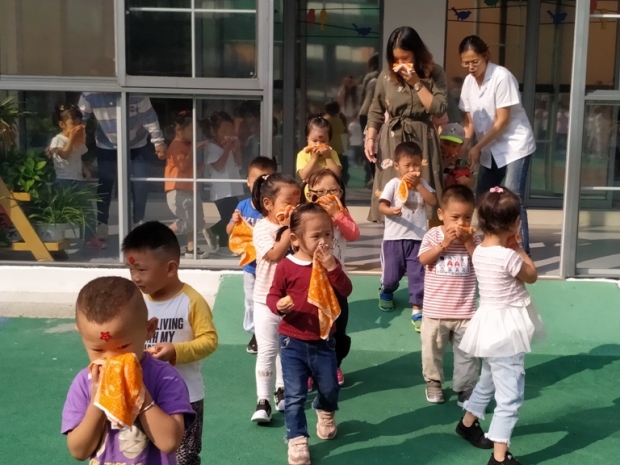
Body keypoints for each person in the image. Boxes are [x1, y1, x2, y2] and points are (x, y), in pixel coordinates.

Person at [61, 276, 195, 464]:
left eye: (123, 347)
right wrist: (97, 402)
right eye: (98, 350)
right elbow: (79, 451)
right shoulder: (85, 382)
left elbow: (170, 443)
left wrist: (140, 394)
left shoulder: (165, 377)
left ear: (149, 329)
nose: (110, 358)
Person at [455, 187, 544, 465]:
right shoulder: (508, 256)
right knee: (510, 396)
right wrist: (518, 247)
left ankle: (467, 423)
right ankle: (500, 457)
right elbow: (532, 275)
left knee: (489, 379)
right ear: (515, 223)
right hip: (507, 332)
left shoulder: (480, 251)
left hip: (489, 327)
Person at [122, 221, 218, 465]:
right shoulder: (135, 302)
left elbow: (209, 340)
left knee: (184, 457)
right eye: (130, 269)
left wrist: (176, 350)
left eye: (141, 270)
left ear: (170, 268)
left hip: (186, 395)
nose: (135, 277)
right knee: (141, 455)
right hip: (144, 395)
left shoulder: (191, 301)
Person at [267, 203, 353, 465]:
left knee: (329, 387)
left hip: (325, 340)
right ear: (295, 239)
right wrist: (278, 305)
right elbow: (273, 295)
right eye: (316, 236)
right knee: (294, 395)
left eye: (328, 234)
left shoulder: (330, 263)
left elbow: (346, 290)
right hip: (292, 340)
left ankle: (325, 410)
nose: (324, 241)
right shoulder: (286, 266)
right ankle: (297, 438)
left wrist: (333, 268)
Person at [457, 35, 536, 255]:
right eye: (466, 62)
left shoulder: (502, 77)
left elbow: (502, 121)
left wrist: (476, 147)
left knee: (513, 198)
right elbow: (469, 123)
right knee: (484, 197)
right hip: (489, 148)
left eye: (475, 61)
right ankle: (490, 248)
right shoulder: (468, 82)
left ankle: (522, 254)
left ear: (486, 56)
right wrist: (463, 148)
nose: (471, 67)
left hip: (514, 145)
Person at [364, 27, 447, 222]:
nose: (401, 64)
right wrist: (370, 138)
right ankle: (394, 234)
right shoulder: (386, 76)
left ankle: (426, 236)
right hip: (393, 138)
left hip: (422, 137)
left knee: (423, 187)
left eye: (405, 58)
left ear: (416, 53)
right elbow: (376, 109)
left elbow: (439, 108)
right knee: (391, 192)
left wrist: (417, 83)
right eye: (396, 59)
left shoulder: (435, 72)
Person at [418, 185, 480, 405]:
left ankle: (466, 388)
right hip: (436, 311)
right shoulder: (433, 235)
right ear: (441, 214)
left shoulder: (474, 240)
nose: (461, 223)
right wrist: (443, 244)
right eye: (455, 217)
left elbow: (481, 264)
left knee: (468, 354)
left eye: (467, 217)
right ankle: (433, 382)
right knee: (432, 351)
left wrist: (468, 242)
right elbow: (423, 259)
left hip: (466, 311)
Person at [78, 93, 167, 248]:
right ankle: (102, 225)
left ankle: (138, 225)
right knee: (105, 184)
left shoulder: (135, 91)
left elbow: (149, 116)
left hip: (137, 143)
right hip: (106, 143)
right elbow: (80, 117)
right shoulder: (90, 92)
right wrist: (78, 137)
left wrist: (158, 141)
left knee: (140, 184)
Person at [250, 173, 302, 422]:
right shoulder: (262, 227)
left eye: (297, 203)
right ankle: (263, 401)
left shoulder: (299, 226)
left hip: (292, 299)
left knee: (287, 349)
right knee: (268, 350)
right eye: (287, 203)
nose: (293, 208)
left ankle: (282, 390)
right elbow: (274, 254)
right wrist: (290, 229)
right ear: (268, 204)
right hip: (265, 299)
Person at [305, 169, 360, 386]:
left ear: (341, 193)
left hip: (336, 282)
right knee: (312, 330)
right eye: (320, 192)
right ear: (310, 194)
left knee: (338, 328)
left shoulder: (342, 214)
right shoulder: (305, 216)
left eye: (332, 191)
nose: (327, 196)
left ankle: (334, 364)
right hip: (311, 283)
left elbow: (353, 234)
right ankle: (310, 370)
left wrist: (337, 215)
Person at [378, 142, 437, 331]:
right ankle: (386, 290)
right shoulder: (393, 184)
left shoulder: (422, 184)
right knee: (391, 275)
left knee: (418, 275)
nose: (412, 170)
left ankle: (417, 308)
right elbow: (382, 205)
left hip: (418, 238)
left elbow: (432, 200)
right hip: (394, 239)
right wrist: (390, 210)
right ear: (397, 166)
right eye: (408, 165)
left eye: (416, 165)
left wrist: (419, 185)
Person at [226, 156, 278, 354]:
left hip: (271, 265)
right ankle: (256, 332)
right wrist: (234, 221)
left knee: (271, 298)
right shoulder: (243, 206)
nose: (260, 186)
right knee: (250, 300)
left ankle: (270, 330)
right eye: (256, 181)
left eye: (266, 181)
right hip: (250, 266)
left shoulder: (274, 208)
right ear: (248, 182)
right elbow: (229, 231)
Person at [49, 104, 98, 247]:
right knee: (62, 210)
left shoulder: (77, 141)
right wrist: (71, 138)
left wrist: (85, 169)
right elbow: (65, 154)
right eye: (73, 123)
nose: (77, 126)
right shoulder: (57, 140)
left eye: (78, 123)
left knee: (87, 209)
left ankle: (89, 238)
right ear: (62, 124)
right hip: (63, 180)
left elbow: (77, 157)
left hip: (78, 179)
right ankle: (57, 236)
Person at [164, 111, 208, 258]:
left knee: (197, 220)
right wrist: (193, 150)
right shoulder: (176, 145)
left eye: (197, 130)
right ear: (180, 130)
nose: (195, 133)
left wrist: (198, 167)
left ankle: (191, 248)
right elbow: (182, 166)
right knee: (189, 221)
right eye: (192, 129)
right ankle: (162, 236)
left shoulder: (186, 145)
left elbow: (187, 166)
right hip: (178, 190)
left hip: (190, 188)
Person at [202, 111, 245, 253]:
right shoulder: (212, 148)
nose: (228, 134)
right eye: (224, 131)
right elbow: (218, 166)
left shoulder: (228, 147)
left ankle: (214, 231)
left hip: (232, 188)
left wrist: (237, 148)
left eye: (230, 131)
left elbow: (239, 164)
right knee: (228, 218)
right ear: (214, 132)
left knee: (232, 217)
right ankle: (223, 245)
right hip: (220, 190)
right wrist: (226, 149)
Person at [296, 116, 342, 181]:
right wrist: (313, 159)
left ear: (329, 141)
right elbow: (304, 176)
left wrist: (328, 157)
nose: (318, 144)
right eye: (314, 141)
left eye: (323, 141)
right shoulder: (302, 155)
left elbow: (337, 174)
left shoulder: (332, 153)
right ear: (307, 139)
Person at [359, 53, 380, 188]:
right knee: (374, 146)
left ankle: (372, 176)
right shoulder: (379, 78)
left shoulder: (370, 77)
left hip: (365, 112)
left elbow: (362, 95)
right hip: (372, 114)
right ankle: (373, 176)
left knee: (369, 145)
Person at [440, 123, 475, 189]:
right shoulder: (435, 156)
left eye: (454, 146)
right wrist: (447, 161)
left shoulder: (462, 161)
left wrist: (467, 181)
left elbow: (472, 181)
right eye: (446, 143)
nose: (449, 148)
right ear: (439, 141)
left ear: (461, 146)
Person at [324, 102, 349, 185]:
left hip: (326, 148)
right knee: (338, 168)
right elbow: (343, 130)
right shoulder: (338, 121)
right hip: (338, 149)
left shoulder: (324, 121)